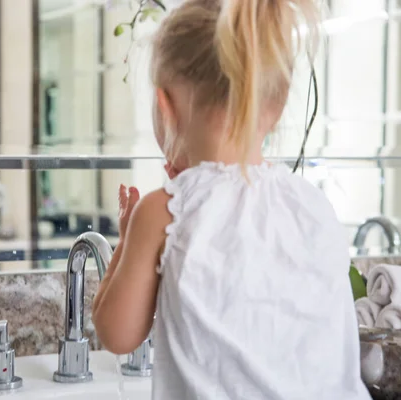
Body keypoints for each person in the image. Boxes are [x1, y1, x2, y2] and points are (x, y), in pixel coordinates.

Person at [92, 1, 370, 399]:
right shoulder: (314, 207)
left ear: (164, 108)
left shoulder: (166, 211)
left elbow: (116, 333)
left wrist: (128, 237)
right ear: (275, 106)